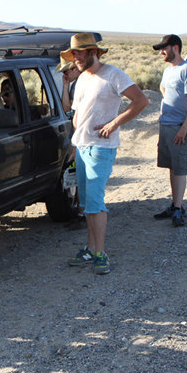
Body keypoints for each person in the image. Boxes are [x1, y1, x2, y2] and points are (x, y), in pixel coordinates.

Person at [66, 33, 149, 274]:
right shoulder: (81, 79)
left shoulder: (113, 74)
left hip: (101, 148)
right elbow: (78, 116)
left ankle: (101, 254)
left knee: (94, 202)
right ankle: (91, 249)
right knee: (86, 203)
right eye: (74, 53)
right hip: (81, 146)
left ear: (94, 52)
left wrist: (114, 124)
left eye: (80, 52)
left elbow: (141, 101)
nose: (77, 57)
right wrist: (74, 145)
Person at [151, 34, 187, 226]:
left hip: (180, 127)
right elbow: (164, 88)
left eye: (164, 48)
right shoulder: (168, 70)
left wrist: (184, 127)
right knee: (171, 166)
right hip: (166, 125)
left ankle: (178, 210)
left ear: (176, 48)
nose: (162, 52)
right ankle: (175, 204)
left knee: (179, 168)